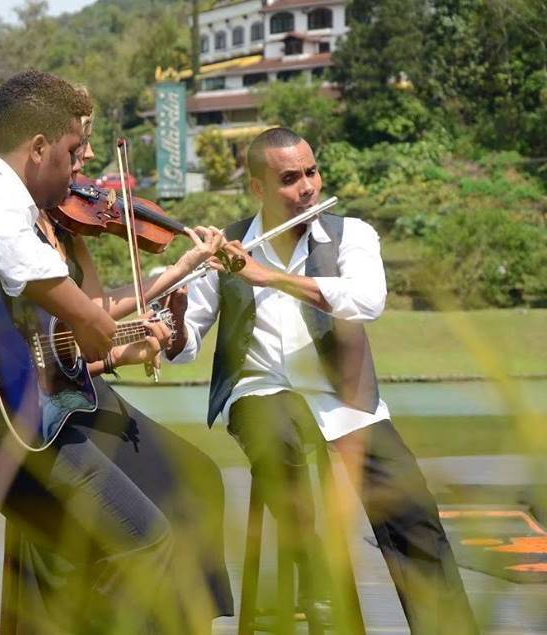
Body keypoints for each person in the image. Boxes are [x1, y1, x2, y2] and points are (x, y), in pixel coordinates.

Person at [0, 70, 227, 633]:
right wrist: (87, 320)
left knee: (163, 505)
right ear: (38, 149)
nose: (79, 165)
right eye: (72, 151)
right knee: (141, 541)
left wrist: (104, 321)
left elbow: (39, 318)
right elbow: (15, 255)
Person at [165, 127, 478, 633]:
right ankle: (318, 586)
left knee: (413, 511)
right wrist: (175, 316)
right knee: (280, 439)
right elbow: (183, 349)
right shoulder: (224, 249)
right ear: (258, 189)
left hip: (347, 401)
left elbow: (366, 301)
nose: (308, 186)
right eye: (290, 179)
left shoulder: (352, 235)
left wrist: (268, 277)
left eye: (311, 172)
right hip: (260, 390)